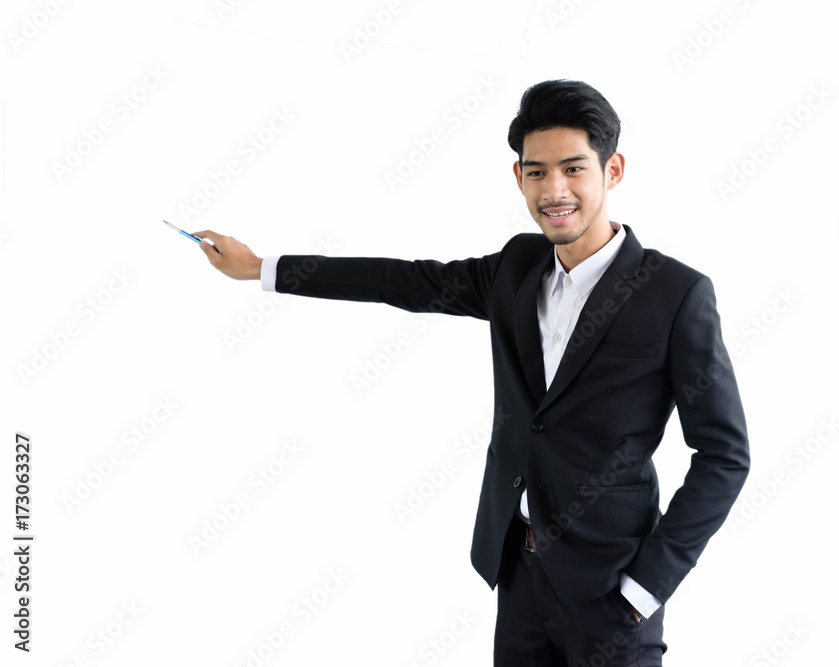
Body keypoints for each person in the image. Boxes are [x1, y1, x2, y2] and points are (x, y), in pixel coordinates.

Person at [193, 79, 750, 666]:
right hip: (519, 575)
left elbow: (725, 455)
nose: (554, 190)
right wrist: (262, 268)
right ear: (518, 178)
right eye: (537, 172)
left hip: (611, 590)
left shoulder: (675, 293)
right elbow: (404, 281)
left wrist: (645, 588)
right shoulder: (516, 268)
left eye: (573, 169)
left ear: (612, 170)